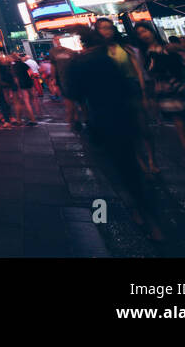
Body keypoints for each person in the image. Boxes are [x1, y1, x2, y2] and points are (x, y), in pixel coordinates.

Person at [65, 29, 163, 240]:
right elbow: (129, 86)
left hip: (100, 119)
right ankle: (150, 217)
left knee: (113, 169)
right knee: (132, 165)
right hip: (124, 114)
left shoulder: (79, 62)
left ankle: (137, 210)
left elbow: (73, 96)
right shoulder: (113, 58)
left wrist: (72, 118)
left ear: (82, 43)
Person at [133, 21, 185, 174]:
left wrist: (179, 53)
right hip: (165, 91)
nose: (143, 35)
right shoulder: (143, 54)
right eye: (139, 33)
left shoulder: (169, 47)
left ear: (152, 31)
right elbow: (147, 75)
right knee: (181, 128)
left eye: (144, 31)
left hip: (183, 87)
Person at [96, 18, 157, 174]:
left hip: (132, 88)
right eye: (103, 28)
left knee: (144, 128)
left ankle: (152, 160)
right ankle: (141, 162)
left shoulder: (126, 48)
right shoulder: (97, 51)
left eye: (109, 28)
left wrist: (144, 94)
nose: (107, 31)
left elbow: (139, 72)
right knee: (129, 129)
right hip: (113, 93)